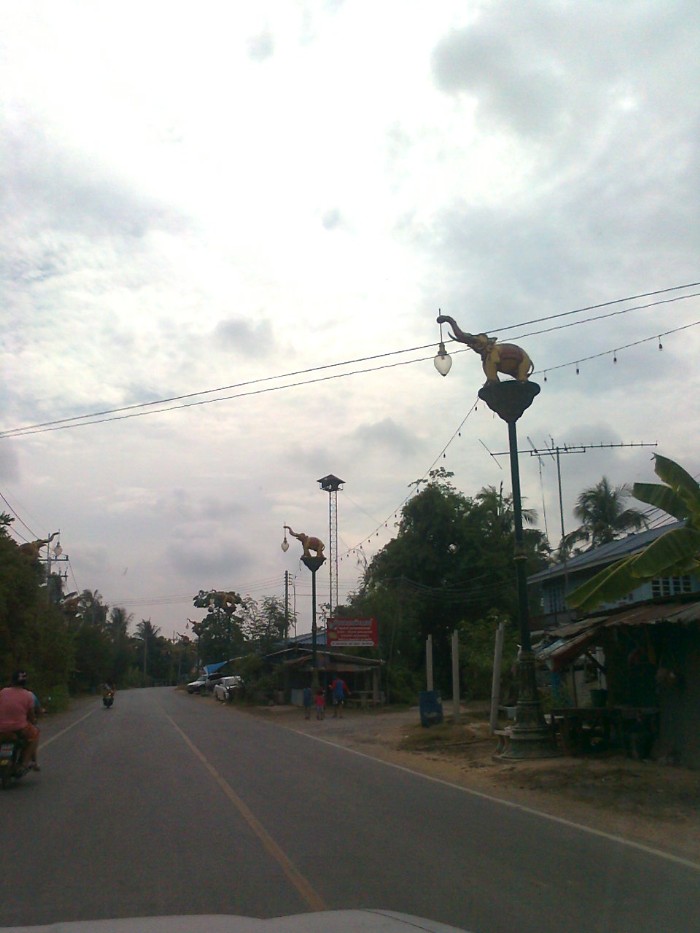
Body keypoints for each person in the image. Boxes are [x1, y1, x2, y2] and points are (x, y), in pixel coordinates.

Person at [0, 671, 40, 771]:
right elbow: (31, 715)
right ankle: (24, 763)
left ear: (12, 681)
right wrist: (34, 720)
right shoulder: (28, 695)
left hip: (1, 729)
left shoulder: (3, 692)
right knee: (35, 735)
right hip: (19, 728)